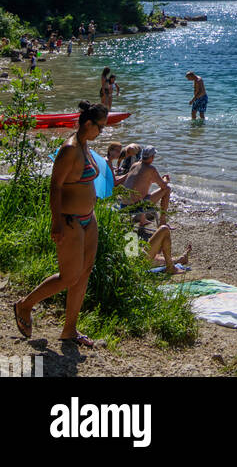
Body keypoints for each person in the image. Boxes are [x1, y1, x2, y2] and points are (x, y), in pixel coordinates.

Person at [12, 101, 109, 347]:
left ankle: (70, 330)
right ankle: (24, 305)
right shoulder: (70, 149)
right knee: (69, 276)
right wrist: (56, 223)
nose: (102, 132)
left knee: (84, 272)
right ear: (88, 124)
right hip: (69, 219)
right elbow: (54, 186)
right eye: (101, 127)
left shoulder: (85, 145)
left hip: (89, 219)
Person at [117, 146, 172, 227]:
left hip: (123, 204)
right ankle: (162, 222)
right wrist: (165, 179)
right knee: (167, 189)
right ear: (152, 157)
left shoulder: (134, 165)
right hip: (135, 206)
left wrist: (157, 179)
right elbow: (163, 185)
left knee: (142, 190)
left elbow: (140, 180)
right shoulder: (151, 169)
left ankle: (142, 220)